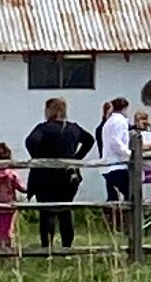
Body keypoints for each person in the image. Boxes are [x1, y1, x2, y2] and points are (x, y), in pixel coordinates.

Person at [23, 96, 92, 252]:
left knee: (46, 213)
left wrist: (39, 158)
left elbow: (31, 142)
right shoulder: (73, 129)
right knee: (65, 211)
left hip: (45, 178)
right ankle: (67, 247)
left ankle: (47, 247)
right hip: (68, 177)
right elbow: (89, 140)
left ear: (49, 111)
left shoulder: (43, 129)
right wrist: (75, 159)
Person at [96, 94, 142, 242]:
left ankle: (114, 225)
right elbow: (117, 142)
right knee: (132, 195)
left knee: (113, 198)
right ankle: (131, 227)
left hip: (108, 165)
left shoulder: (108, 122)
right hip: (118, 165)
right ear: (125, 108)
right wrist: (129, 154)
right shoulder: (120, 121)